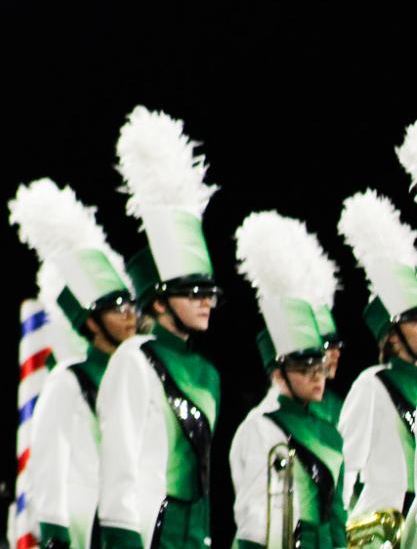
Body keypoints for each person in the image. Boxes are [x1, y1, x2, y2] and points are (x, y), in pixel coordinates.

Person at [98, 108, 224, 549]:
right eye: (192, 292)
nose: (206, 301)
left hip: (195, 534)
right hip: (147, 533)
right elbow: (120, 463)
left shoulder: (208, 373)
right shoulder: (134, 359)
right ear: (157, 299)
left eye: (210, 292)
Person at [9, 178, 141, 549]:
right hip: (85, 523)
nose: (129, 316)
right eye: (116, 308)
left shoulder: (140, 374)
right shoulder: (69, 379)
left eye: (130, 304)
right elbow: (48, 465)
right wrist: (55, 533)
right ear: (91, 320)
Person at [226, 212, 345, 549]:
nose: (317, 376)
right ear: (279, 374)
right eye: (305, 368)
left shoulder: (330, 434)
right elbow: (253, 523)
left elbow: (336, 519)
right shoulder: (260, 428)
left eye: (320, 366)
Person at [334, 191, 417, 524]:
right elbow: (343, 466)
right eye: (414, 319)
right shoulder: (374, 383)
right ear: (392, 337)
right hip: (384, 531)